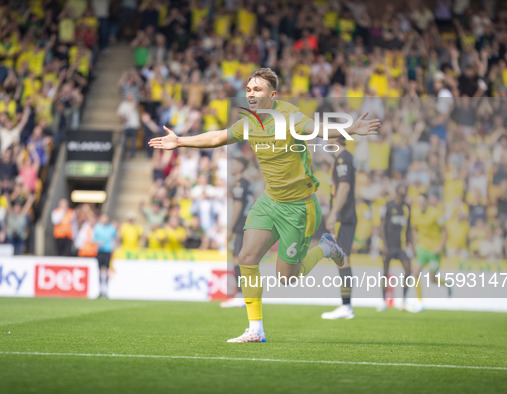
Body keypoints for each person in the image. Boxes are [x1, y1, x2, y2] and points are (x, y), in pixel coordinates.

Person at [149, 67, 380, 343]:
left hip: (298, 207)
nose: (251, 94)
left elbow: (316, 129)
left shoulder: (289, 116)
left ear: (273, 94)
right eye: (248, 90)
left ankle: (327, 248)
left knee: (287, 279)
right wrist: (180, 141)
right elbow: (216, 138)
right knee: (246, 258)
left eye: (257, 90)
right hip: (270, 201)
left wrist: (348, 128)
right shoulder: (248, 122)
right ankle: (255, 329)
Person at [322, 136, 358, 320]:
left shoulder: (343, 158)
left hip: (344, 217)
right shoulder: (341, 158)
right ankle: (346, 305)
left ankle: (346, 306)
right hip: (344, 216)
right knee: (342, 260)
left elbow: (344, 187)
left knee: (344, 260)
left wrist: (334, 213)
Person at [221, 156, 253, 308]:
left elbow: (238, 206)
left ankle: (240, 295)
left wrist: (230, 228)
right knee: (241, 260)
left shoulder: (240, 183)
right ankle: (242, 294)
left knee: (237, 259)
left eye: (234, 163)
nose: (231, 166)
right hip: (247, 225)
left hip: (241, 226)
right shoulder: (247, 183)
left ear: (241, 166)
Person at [410, 193, 450, 312]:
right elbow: (413, 229)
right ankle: (420, 302)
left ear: (427, 202)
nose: (421, 204)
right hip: (422, 248)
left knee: (432, 279)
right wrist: (415, 244)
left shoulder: (436, 213)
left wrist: (440, 247)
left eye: (423, 202)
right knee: (415, 273)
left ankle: (447, 283)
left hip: (434, 250)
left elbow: (445, 232)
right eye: (419, 202)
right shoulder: (415, 213)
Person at [377, 184, 413, 312]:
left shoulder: (407, 208)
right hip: (389, 245)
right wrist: (384, 244)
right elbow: (382, 226)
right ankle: (383, 301)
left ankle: (404, 301)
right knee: (385, 272)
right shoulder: (388, 206)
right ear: (397, 192)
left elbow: (409, 229)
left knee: (408, 271)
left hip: (401, 246)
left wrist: (411, 245)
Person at [93, 213, 118, 298]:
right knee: (100, 270)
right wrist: (98, 242)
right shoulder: (97, 227)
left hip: (108, 251)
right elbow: (93, 239)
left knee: (107, 270)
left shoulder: (111, 228)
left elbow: (115, 238)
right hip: (100, 251)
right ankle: (100, 290)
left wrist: (113, 248)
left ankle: (106, 290)